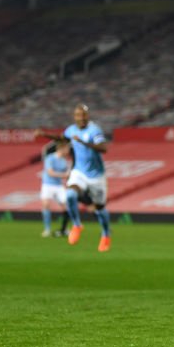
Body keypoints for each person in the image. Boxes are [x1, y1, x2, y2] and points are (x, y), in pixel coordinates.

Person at [35, 104, 111, 252]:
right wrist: (44, 134)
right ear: (74, 117)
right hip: (79, 172)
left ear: (87, 116)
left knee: (100, 209)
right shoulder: (71, 130)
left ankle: (106, 235)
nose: (80, 118)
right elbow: (62, 138)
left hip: (96, 177)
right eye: (77, 115)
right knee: (70, 194)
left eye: (83, 115)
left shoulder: (94, 130)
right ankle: (77, 225)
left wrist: (83, 142)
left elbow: (104, 148)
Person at [39, 138, 71, 237]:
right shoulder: (50, 158)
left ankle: (65, 228)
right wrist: (64, 175)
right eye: (67, 148)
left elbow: (68, 175)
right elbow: (50, 173)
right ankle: (47, 229)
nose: (68, 151)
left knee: (67, 207)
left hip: (58, 186)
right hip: (47, 184)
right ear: (61, 148)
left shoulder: (64, 161)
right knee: (46, 205)